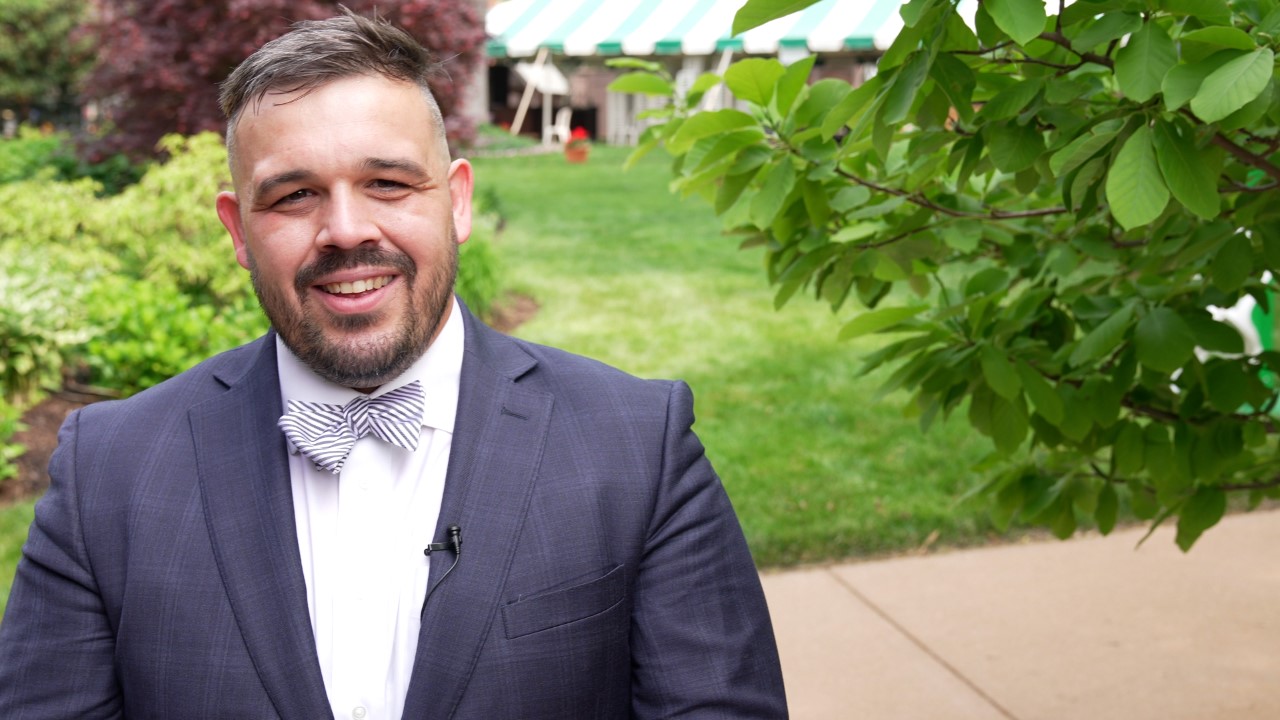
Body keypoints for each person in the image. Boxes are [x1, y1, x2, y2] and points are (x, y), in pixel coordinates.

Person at [0, 10, 786, 720]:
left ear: (458, 201)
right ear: (238, 231)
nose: (346, 230)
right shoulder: (108, 472)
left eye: (387, 183)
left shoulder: (636, 446)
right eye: (295, 195)